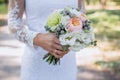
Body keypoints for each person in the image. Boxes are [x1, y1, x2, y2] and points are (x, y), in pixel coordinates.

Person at [8, 0, 85, 80]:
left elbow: (83, 19)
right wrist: (38, 38)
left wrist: (69, 43)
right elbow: (13, 22)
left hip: (67, 65)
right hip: (36, 65)